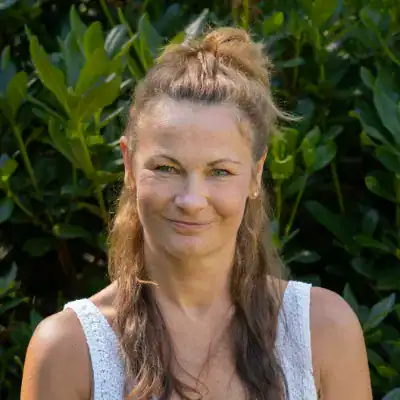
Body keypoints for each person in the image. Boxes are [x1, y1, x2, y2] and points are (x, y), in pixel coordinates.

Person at [21, 27, 372, 400]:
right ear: (128, 164)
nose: (191, 200)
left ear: (255, 174)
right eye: (167, 168)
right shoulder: (67, 351)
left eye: (219, 171)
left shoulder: (324, 332)